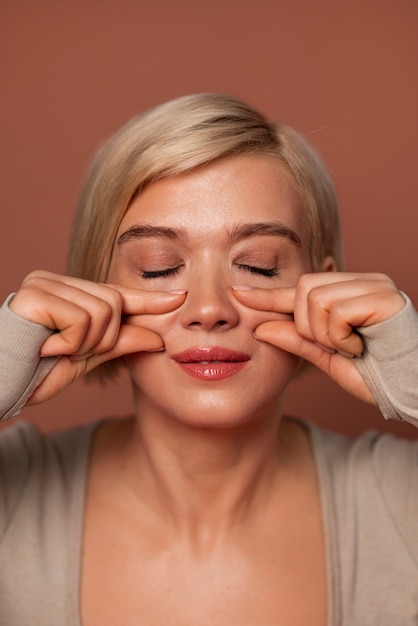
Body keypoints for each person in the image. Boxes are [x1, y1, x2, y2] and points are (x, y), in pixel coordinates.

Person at [0, 93, 417, 626]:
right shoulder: (15, 492)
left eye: (260, 266)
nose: (209, 309)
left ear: (327, 287)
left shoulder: (401, 502)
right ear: (91, 291)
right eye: (157, 267)